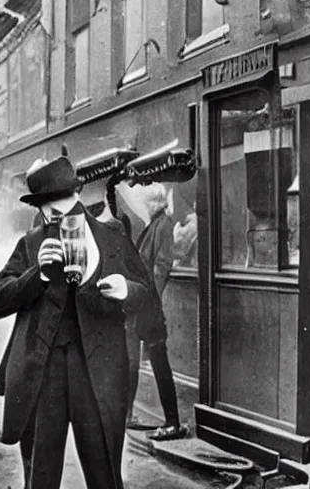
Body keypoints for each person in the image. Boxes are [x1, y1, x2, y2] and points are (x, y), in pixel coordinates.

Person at [0, 156, 151, 489]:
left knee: (103, 473)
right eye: (56, 213)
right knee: (42, 475)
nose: (60, 220)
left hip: (98, 372)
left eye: (68, 211)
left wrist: (125, 290)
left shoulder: (112, 235)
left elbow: (147, 295)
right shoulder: (33, 243)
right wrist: (38, 275)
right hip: (44, 372)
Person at [126, 183, 188, 440]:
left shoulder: (162, 225)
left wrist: (149, 300)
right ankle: (132, 415)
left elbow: (161, 266)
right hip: (146, 307)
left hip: (149, 307)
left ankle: (172, 422)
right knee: (141, 360)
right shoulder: (156, 224)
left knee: (159, 364)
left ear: (152, 203)